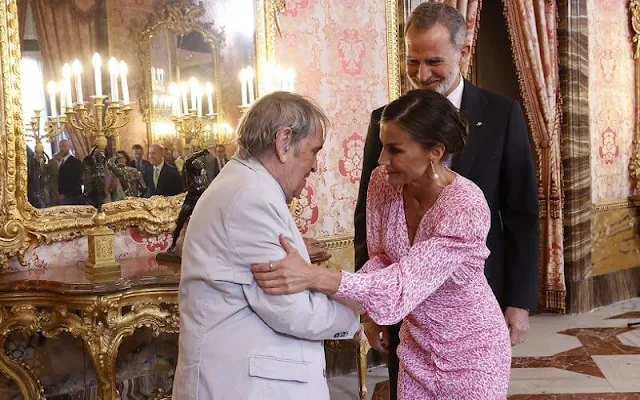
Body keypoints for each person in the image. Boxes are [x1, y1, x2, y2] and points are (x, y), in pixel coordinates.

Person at [252, 89, 512, 399]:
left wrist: (314, 276)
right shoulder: (382, 183)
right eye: (383, 147)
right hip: (415, 349)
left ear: (435, 151)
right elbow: (381, 259)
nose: (381, 159)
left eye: (395, 150)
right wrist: (368, 313)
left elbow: (405, 283)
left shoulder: (465, 206)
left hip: (472, 354)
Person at [353, 4, 540, 397]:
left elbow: (522, 215)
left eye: (434, 61)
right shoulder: (384, 122)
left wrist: (519, 301)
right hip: (407, 314)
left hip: (475, 308)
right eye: (413, 61)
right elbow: (367, 228)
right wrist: (369, 311)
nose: (422, 75)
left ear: (463, 51)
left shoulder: (503, 114)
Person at [172, 92, 360, 399]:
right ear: (284, 141)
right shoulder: (250, 197)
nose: (315, 167)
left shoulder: (248, 186)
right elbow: (290, 310)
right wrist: (354, 314)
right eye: (313, 151)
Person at [57, 139, 84, 205]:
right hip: (63, 197)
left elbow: (77, 182)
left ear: (69, 147)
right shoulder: (61, 162)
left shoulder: (76, 162)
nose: (61, 149)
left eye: (63, 146)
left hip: (73, 198)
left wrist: (65, 195)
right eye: (60, 147)